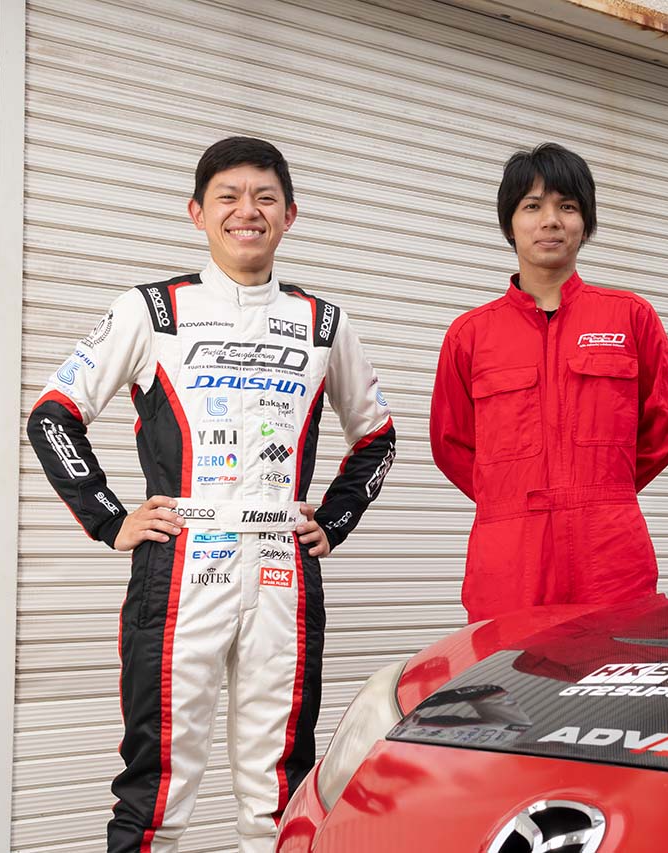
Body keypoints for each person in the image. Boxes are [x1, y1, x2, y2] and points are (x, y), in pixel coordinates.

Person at [27, 137, 396, 853]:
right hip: (179, 567)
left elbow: (377, 436)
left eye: (264, 197)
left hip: (283, 572)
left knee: (279, 794)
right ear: (197, 212)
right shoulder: (151, 309)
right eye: (228, 197)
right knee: (156, 792)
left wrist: (337, 518)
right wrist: (109, 519)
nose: (246, 211)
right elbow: (53, 415)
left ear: (290, 214)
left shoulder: (324, 323)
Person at [429, 142, 668, 623]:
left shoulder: (630, 317)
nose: (550, 221)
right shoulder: (471, 336)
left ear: (585, 223)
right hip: (510, 557)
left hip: (609, 551)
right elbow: (451, 443)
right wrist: (510, 493)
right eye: (532, 207)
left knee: (617, 664)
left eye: (566, 207)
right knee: (506, 667)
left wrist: (605, 484)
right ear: (510, 223)